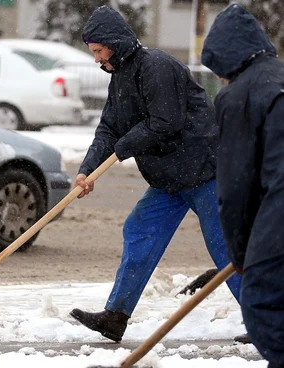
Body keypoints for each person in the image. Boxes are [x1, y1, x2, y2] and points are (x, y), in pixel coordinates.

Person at [68, 5, 242, 343]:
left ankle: (267, 320)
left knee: (225, 246)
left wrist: (123, 148)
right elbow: (108, 128)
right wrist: (86, 170)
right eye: (93, 53)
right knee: (140, 231)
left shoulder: (156, 66)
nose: (96, 59)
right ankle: (116, 316)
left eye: (99, 51)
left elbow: (166, 121)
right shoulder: (119, 78)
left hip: (204, 169)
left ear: (114, 43)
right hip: (168, 179)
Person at [201, 4, 284, 367]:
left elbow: (234, 188)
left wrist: (241, 253)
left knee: (262, 301)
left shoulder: (239, 97)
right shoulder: (280, 78)